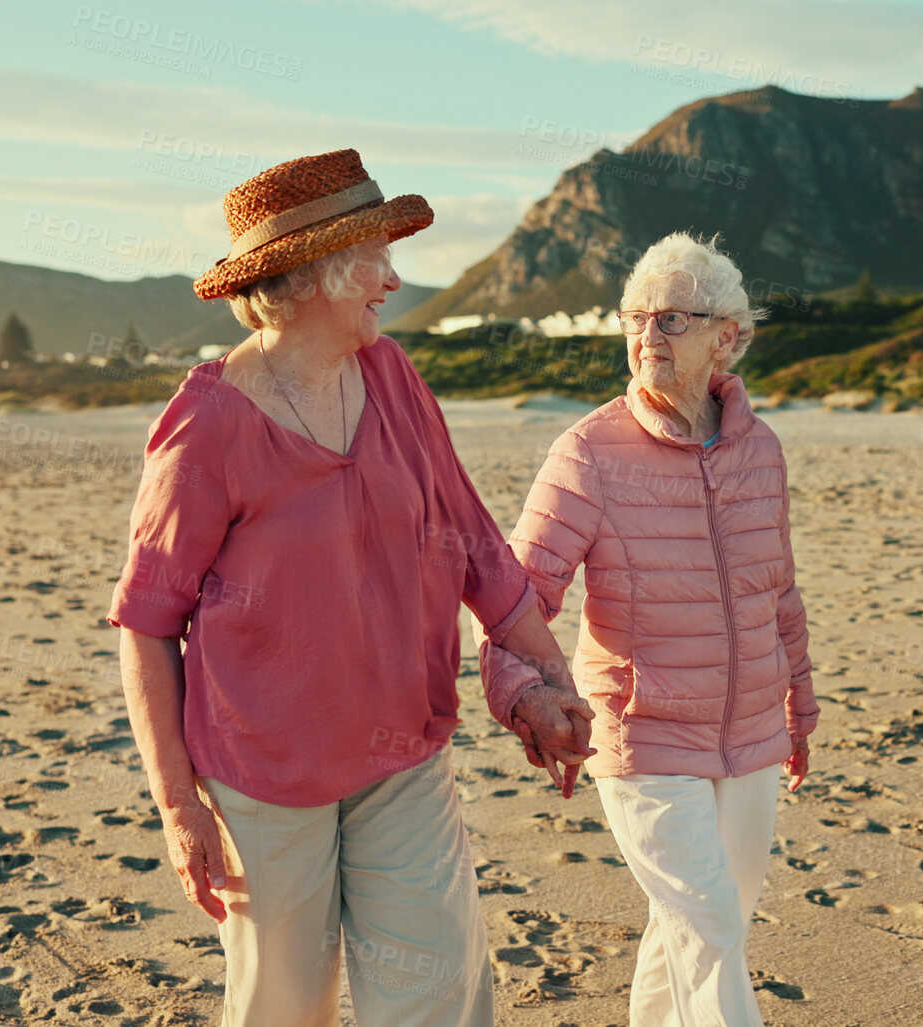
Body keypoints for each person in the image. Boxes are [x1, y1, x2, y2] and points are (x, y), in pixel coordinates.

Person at [108, 149, 593, 1027]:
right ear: (313, 276)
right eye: (375, 259)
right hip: (265, 769)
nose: (393, 280)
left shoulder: (394, 378)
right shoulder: (207, 427)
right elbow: (145, 624)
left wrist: (550, 684)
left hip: (403, 747)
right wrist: (179, 807)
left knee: (438, 987)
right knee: (285, 1006)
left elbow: (477, 545)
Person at [480, 231, 819, 1027]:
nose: (645, 336)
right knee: (711, 927)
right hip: (640, 735)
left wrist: (797, 708)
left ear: (726, 336)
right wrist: (526, 697)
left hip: (749, 734)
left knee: (692, 933)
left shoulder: (759, 450)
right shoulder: (588, 453)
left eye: (670, 319)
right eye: (635, 317)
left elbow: (780, 594)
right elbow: (514, 598)